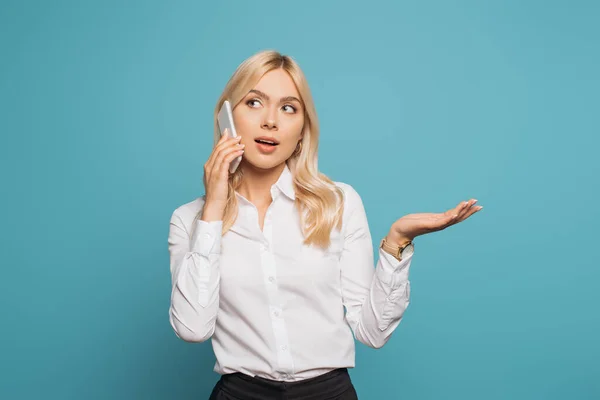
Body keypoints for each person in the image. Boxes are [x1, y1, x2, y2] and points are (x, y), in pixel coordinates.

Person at [167, 50, 482, 400]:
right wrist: (213, 205)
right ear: (227, 118)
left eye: (288, 108)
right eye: (254, 102)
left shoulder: (339, 203)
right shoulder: (189, 220)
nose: (271, 121)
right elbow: (193, 328)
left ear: (302, 131)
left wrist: (397, 242)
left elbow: (372, 332)